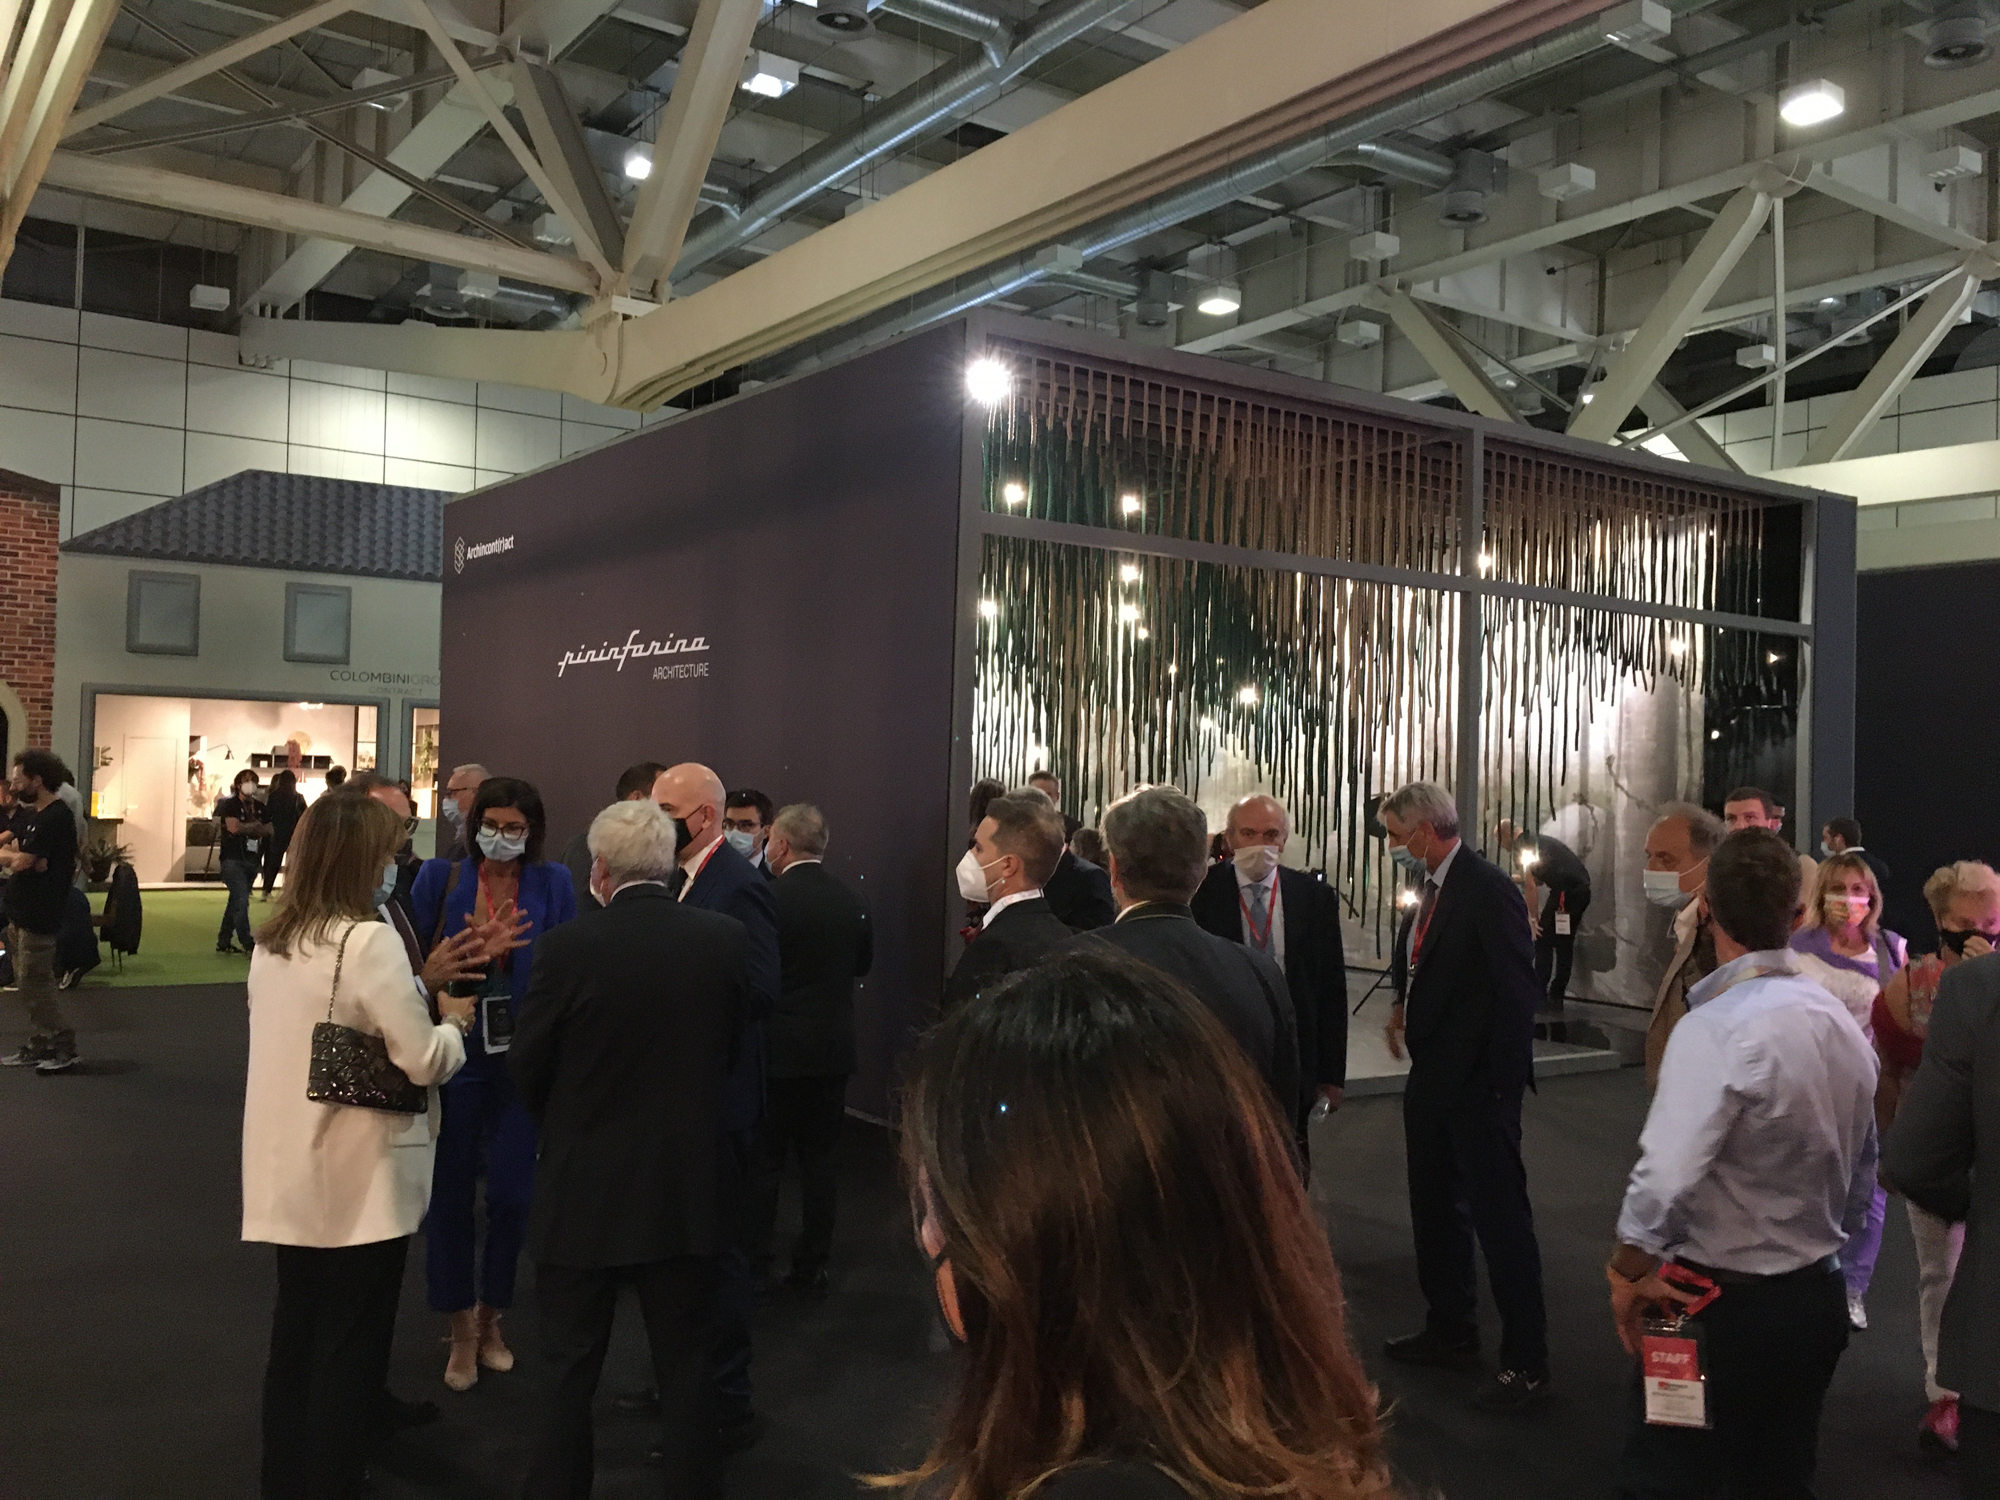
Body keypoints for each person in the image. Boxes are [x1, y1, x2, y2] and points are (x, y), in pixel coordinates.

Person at [887, 945, 1393, 1500]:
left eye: (939, 1208)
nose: (927, 1236)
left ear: (1032, 1245)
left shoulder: (1086, 1481)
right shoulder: (1281, 1432)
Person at [1608, 827, 1877, 1499]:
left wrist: (1626, 1269)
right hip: (1814, 1297)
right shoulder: (1841, 1024)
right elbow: (1862, 1175)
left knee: (1671, 1476)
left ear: (1707, 910)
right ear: (1799, 914)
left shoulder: (1715, 1028)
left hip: (1720, 1306)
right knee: (1781, 1475)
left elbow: (1664, 1177)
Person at [510, 798, 753, 1500]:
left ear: (601, 869)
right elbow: (732, 1050)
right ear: (670, 862)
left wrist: (570, 1121)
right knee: (687, 1365)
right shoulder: (723, 940)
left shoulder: (566, 947)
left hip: (582, 1186)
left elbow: (528, 1065)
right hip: (686, 1185)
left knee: (567, 1368)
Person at [241, 792, 475, 1500]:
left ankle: (287, 1477)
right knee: (351, 1345)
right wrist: (455, 1024)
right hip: (360, 1173)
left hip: (289, 1166)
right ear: (359, 860)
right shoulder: (367, 940)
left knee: (297, 1336)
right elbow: (421, 1059)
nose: (394, 866)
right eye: (388, 853)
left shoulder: (275, 940)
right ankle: (334, 1478)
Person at [1380, 780, 1548, 1412]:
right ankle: (1449, 1326)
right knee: (1433, 1207)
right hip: (1432, 1078)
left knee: (1500, 1222)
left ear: (1427, 830)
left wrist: (1501, 1087)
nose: (1393, 846)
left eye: (1397, 836)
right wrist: (1402, 1004)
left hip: (1479, 1085)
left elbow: (1515, 989)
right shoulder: (1431, 886)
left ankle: (1526, 1360)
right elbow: (1418, 957)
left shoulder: (1487, 888)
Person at [411, 775, 576, 1392]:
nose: (501, 836)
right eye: (491, 824)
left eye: (514, 828)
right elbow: (415, 967)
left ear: (531, 832)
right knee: (450, 1196)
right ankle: (458, 1325)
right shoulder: (440, 877)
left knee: (512, 1196)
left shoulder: (553, 883)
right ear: (474, 822)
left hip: (523, 1059)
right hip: (455, 1053)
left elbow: (566, 966)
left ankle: (491, 1317)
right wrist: (470, 957)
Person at [652, 762, 778, 1450]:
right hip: (683, 1099)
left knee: (719, 1255)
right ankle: (683, 1385)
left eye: (667, 811)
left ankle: (724, 1400)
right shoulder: (677, 879)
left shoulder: (737, 883)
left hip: (720, 1100)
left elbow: (759, 988)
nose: (656, 823)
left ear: (704, 816)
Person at [1875, 861, 2000, 1456]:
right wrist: (1892, 1146)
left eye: (1992, 927)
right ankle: (1942, 1388)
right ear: (1940, 921)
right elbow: (1891, 1070)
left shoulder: (1986, 987)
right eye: (1965, 926)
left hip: (1976, 1157)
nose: (1979, 937)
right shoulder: (1911, 983)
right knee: (1940, 1274)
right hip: (1937, 1147)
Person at [1090, 786, 1299, 1119]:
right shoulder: (1261, 973)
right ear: (1202, 871)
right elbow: (1280, 1101)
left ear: (1113, 869)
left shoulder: (1071, 964)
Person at [748, 803, 873, 1296]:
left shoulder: (766, 897)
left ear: (779, 844)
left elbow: (756, 970)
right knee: (821, 1163)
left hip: (776, 1052)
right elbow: (862, 965)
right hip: (832, 1050)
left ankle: (757, 1262)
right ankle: (813, 1263)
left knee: (766, 1163)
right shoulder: (851, 897)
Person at [1792, 852, 1907, 1331]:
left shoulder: (1890, 949)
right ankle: (1807, 1281)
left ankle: (1853, 1287)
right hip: (1809, 1083)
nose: (1848, 899)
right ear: (1822, 894)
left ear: (1872, 896)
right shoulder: (1798, 947)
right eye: (1838, 889)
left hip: (1870, 1087)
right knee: (1810, 1185)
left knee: (1869, 1192)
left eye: (1858, 890)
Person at [1191, 793, 1349, 1140]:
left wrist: (1332, 1075)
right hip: (1225, 1050)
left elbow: (1331, 988)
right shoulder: (1201, 892)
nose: (1260, 844)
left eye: (1271, 834)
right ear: (1229, 838)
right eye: (1248, 833)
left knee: (1290, 1148)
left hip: (1294, 1051)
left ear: (1284, 839)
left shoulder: (1314, 897)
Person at [942, 789, 1077, 1012]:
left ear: (1008, 865)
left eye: (978, 848)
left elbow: (959, 1025)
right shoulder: (1064, 937)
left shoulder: (995, 949)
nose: (970, 856)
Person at [2, 750, 81, 1074]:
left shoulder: (55, 817)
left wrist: (18, 858)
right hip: (21, 913)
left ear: (38, 780)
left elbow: (22, 860)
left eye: (19, 780)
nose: (13, 786)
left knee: (37, 984)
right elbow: (21, 855)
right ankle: (41, 1041)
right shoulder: (34, 815)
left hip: (40, 914)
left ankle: (63, 1045)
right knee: (26, 986)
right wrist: (20, 856)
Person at [1641, 802, 1725, 1087]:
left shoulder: (1718, 936)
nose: (1651, 869)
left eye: (1666, 859)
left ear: (1708, 864)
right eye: (1650, 857)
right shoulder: (1686, 924)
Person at [1498, 819, 1593, 1005]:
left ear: (1505, 837)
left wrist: (1533, 920)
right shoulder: (1537, 840)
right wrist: (1514, 879)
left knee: (1543, 939)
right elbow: (1538, 878)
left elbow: (1531, 887)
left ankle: (1540, 991)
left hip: (1565, 893)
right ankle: (1556, 993)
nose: (1502, 847)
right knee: (1564, 943)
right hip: (1579, 890)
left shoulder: (1522, 847)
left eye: (1499, 841)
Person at [559, 761, 665, 912]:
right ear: (637, 798)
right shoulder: (585, 848)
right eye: (664, 797)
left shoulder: (664, 846)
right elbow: (579, 910)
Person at [216, 769, 274, 954]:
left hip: (251, 859)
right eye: (247, 780)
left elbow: (269, 829)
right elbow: (233, 828)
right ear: (238, 784)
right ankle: (247, 941)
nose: (251, 784)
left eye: (253, 781)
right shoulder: (230, 804)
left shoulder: (260, 807)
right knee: (241, 899)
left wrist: (247, 828)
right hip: (232, 859)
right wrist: (254, 827)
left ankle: (224, 940)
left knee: (236, 901)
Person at [1723, 785, 1817, 894]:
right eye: (1731, 818)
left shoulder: (1801, 866)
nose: (1739, 826)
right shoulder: (1716, 866)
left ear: (1769, 822)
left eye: (1749, 817)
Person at [260, 769, 306, 899]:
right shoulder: (298, 798)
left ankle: (266, 890)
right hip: (294, 833)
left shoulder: (274, 796)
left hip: (278, 833)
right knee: (292, 864)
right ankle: (290, 890)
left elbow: (267, 814)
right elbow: (304, 815)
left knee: (273, 863)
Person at [1821, 816, 1891, 893]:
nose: (1824, 842)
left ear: (1838, 839)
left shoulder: (1836, 868)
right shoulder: (1881, 867)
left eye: (1825, 838)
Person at [436, 763, 489, 862]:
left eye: (452, 793)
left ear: (476, 793)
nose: (446, 799)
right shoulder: (462, 841)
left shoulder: (484, 844)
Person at [724, 788, 775, 877]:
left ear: (766, 831)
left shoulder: (773, 879)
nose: (735, 831)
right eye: (729, 824)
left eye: (746, 825)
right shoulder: (709, 873)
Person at [1027, 767, 1082, 840]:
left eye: (1048, 795)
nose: (1043, 798)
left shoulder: (1072, 828)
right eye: (1037, 794)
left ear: (1057, 796)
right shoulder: (1017, 824)